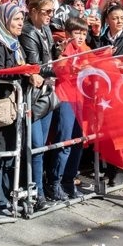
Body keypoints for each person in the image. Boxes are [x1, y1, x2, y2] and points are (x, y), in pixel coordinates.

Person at [0, 2, 26, 215]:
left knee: (9, 153)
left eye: (21, 19)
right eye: (16, 19)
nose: (21, 23)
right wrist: (21, 72)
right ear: (4, 20)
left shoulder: (14, 43)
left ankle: (7, 194)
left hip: (12, 106)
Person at [19, 0, 56, 212]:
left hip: (46, 93)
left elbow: (49, 58)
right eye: (47, 12)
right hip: (33, 95)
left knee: (41, 146)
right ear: (33, 11)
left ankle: (39, 190)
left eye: (52, 11)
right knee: (35, 145)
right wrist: (62, 65)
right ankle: (36, 193)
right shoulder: (28, 31)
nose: (51, 16)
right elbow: (35, 64)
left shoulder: (45, 29)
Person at [46, 17, 89, 200]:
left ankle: (69, 180)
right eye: (77, 33)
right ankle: (54, 182)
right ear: (69, 34)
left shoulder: (85, 50)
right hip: (65, 98)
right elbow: (59, 70)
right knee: (64, 142)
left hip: (80, 99)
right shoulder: (64, 50)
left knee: (78, 142)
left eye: (83, 33)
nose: (80, 37)